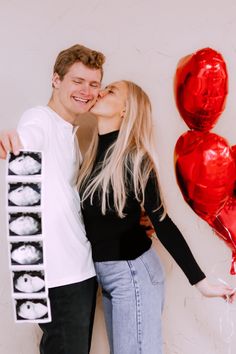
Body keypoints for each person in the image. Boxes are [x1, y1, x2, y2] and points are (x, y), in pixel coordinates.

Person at [77, 80, 235, 354]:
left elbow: (162, 222)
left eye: (111, 91)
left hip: (133, 274)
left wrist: (201, 281)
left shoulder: (135, 159)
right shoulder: (92, 155)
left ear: (126, 109)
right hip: (105, 275)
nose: (100, 92)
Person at [0, 44, 105, 354]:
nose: (86, 91)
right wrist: (10, 140)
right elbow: (26, 138)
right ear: (56, 80)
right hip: (58, 277)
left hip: (81, 271)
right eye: (77, 81)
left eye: (94, 84)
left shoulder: (68, 133)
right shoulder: (39, 119)